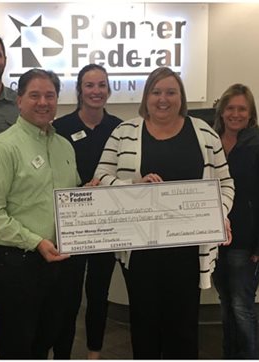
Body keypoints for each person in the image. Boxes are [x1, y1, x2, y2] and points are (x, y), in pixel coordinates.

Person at [94, 67, 235, 359]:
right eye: (156, 92)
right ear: (146, 97)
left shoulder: (205, 133)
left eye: (171, 92)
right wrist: (134, 187)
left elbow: (225, 183)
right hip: (141, 251)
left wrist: (218, 215)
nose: (163, 99)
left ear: (181, 97)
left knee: (183, 329)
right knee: (144, 326)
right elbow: (101, 179)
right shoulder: (124, 133)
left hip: (188, 250)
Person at [0, 68, 80, 359]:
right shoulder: (3, 148)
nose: (43, 102)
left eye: (50, 95)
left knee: (46, 337)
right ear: (19, 100)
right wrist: (35, 241)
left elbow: (73, 197)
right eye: (34, 95)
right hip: (18, 264)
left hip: (58, 262)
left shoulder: (64, 147)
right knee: (16, 344)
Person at [52, 64, 123, 360]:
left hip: (106, 225)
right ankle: (63, 354)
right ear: (79, 90)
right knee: (67, 296)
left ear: (109, 90)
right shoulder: (60, 127)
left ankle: (94, 351)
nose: (96, 91)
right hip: (71, 224)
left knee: (98, 293)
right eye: (90, 85)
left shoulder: (120, 128)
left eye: (102, 85)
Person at [211, 84, 259, 359]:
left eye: (242, 108)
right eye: (230, 108)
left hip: (247, 244)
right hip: (216, 240)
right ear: (222, 110)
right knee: (226, 304)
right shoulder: (211, 141)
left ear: (251, 112)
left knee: (242, 307)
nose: (235, 114)